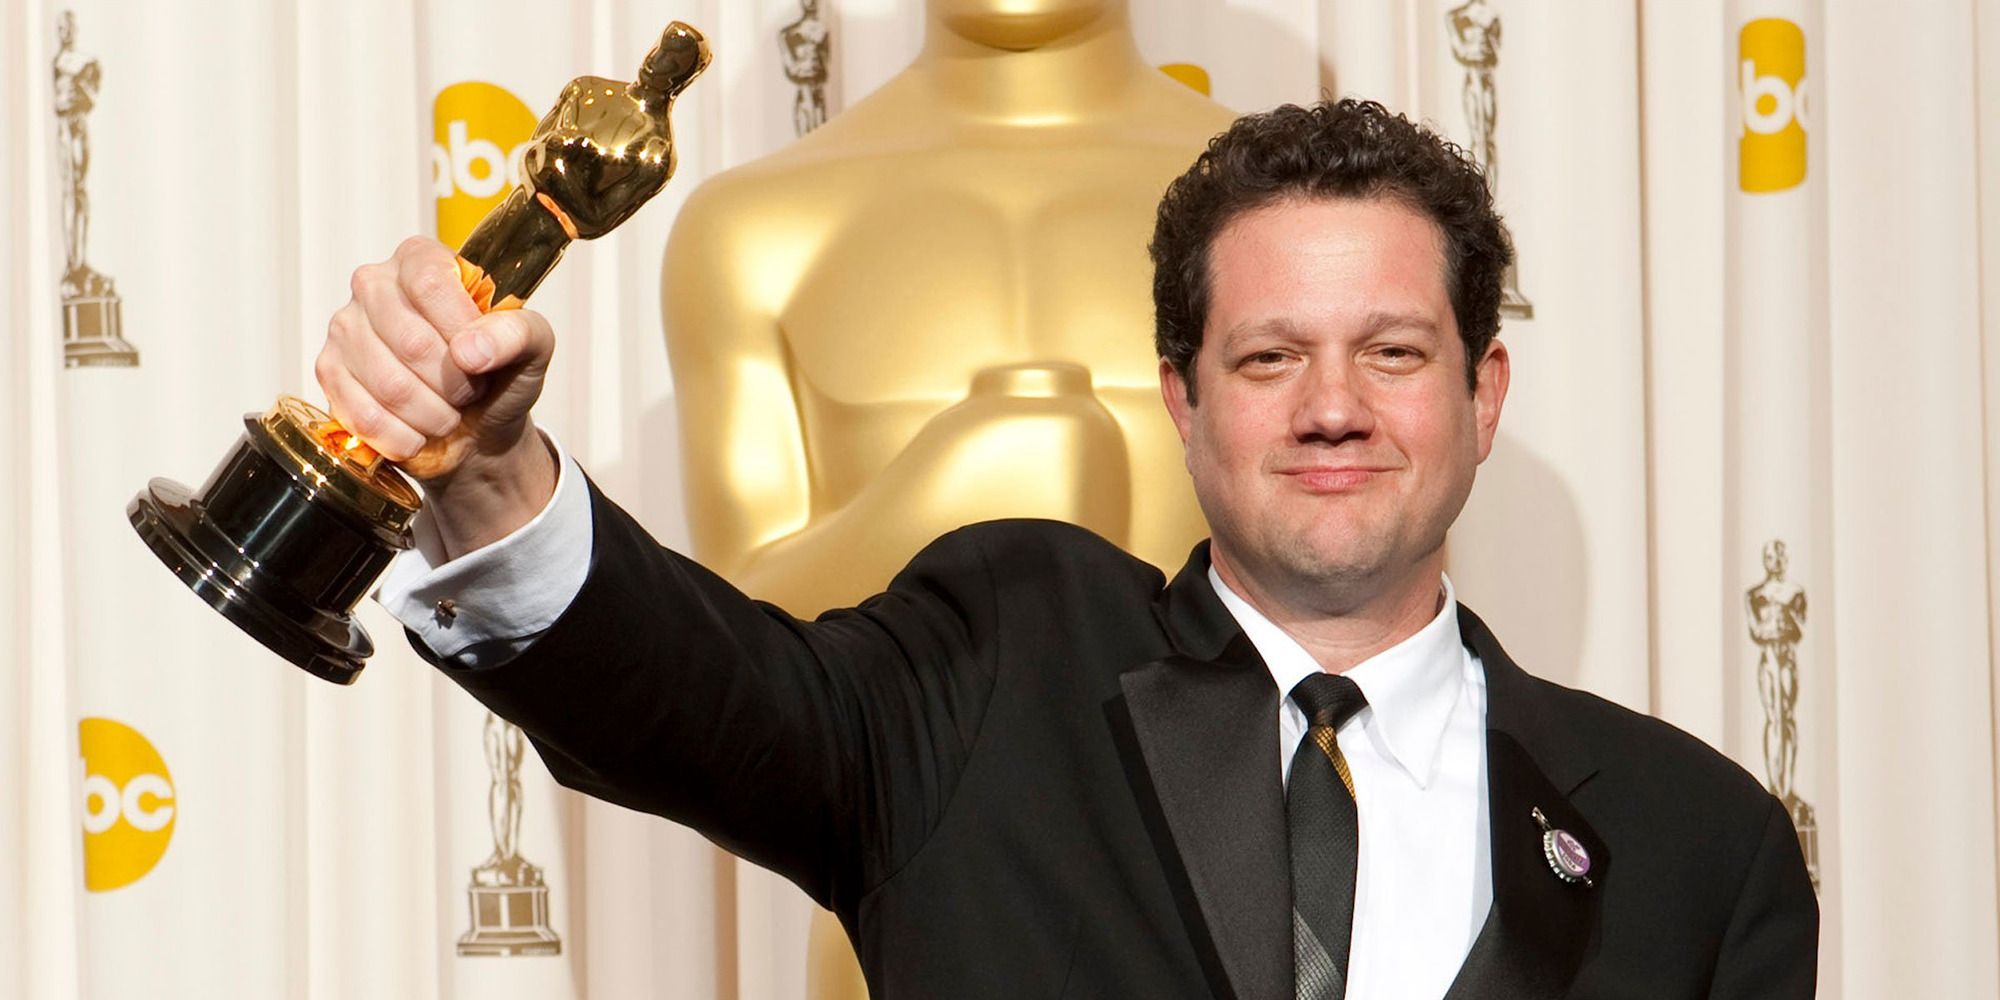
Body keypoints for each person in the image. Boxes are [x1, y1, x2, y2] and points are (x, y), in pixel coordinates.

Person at [322, 99, 1816, 999]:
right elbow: (701, 692)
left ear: (1484, 395)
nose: (1333, 409)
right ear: (1182, 400)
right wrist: (495, 471)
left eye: (1397, 352)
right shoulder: (998, 662)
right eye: (1269, 357)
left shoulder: (1701, 848)